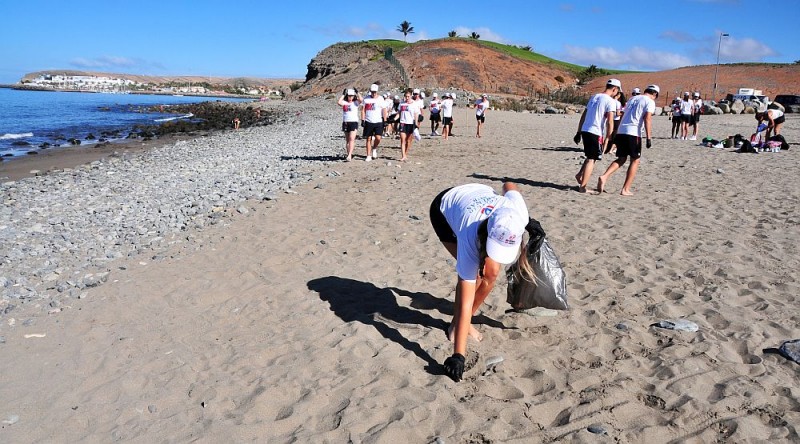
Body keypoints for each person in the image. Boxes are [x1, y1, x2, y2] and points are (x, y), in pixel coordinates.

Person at [429, 182, 531, 382]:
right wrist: (459, 355)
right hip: (445, 208)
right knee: (474, 275)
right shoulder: (469, 235)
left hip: (479, 193)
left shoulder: (518, 213)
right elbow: (466, 295)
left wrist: (528, 224)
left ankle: (462, 323)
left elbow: (508, 184)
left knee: (491, 273)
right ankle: (458, 326)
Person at [597, 85, 658, 196]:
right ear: (654, 94)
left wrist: (617, 132)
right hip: (633, 132)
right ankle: (625, 189)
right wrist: (649, 138)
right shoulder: (649, 101)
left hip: (622, 130)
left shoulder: (632, 99)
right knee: (635, 160)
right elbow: (647, 118)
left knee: (621, 158)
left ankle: (604, 176)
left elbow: (623, 114)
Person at [573, 78, 621, 193]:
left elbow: (583, 115)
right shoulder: (610, 101)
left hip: (585, 129)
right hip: (595, 131)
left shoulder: (594, 97)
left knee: (590, 155)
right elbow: (610, 121)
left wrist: (578, 131)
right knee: (592, 159)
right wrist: (609, 138)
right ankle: (583, 187)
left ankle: (580, 175)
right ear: (614, 89)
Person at [361, 84, 387, 161]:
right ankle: (368, 155)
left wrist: (385, 120)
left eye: (375, 92)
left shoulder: (380, 99)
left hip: (378, 121)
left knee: (378, 138)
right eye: (372, 92)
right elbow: (363, 110)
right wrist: (363, 120)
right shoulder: (366, 99)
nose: (373, 93)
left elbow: (384, 109)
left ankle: (374, 148)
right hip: (369, 121)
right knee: (368, 138)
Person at [338, 88, 362, 161]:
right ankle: (349, 154)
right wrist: (343, 94)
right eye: (349, 96)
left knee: (352, 139)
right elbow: (339, 102)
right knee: (347, 140)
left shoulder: (355, 103)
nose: (350, 97)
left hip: (353, 122)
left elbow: (361, 99)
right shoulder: (345, 103)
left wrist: (357, 92)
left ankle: (349, 155)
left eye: (351, 96)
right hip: (346, 122)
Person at [398, 90, 420, 161]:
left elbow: (416, 114)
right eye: (406, 96)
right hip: (402, 123)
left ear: (411, 96)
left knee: (408, 140)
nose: (407, 98)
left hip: (410, 123)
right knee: (403, 140)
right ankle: (403, 155)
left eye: (408, 96)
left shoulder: (414, 104)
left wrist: (416, 123)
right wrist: (392, 119)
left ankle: (406, 153)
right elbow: (399, 113)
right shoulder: (401, 104)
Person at [606, 90, 626, 154]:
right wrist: (623, 114)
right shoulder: (618, 103)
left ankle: (606, 148)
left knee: (609, 135)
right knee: (615, 136)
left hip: (610, 119)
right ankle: (610, 149)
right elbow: (617, 114)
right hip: (616, 120)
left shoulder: (609, 101)